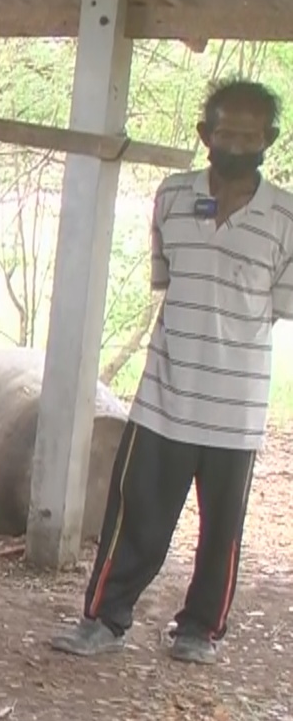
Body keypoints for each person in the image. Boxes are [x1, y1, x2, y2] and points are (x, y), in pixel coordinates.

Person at [52, 79, 292, 664]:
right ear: (205, 135)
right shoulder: (171, 196)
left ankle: (199, 631)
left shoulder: (287, 215)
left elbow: (280, 306)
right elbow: (166, 279)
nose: (238, 146)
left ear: (269, 139)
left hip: (236, 411)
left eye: (251, 136)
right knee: (134, 515)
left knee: (221, 532)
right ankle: (104, 620)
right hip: (164, 398)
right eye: (227, 133)